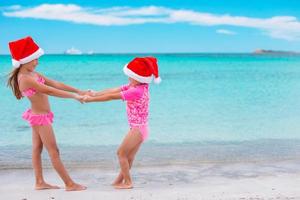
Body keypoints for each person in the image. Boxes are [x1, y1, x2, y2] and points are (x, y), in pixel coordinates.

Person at [7, 36, 87, 191]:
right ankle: (69, 184)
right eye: (34, 59)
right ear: (24, 60)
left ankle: (39, 182)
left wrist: (78, 90)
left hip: (38, 116)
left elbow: (55, 83)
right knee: (54, 151)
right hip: (41, 118)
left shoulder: (33, 74)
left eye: (37, 59)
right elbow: (49, 90)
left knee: (37, 149)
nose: (37, 62)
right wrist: (75, 97)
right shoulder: (24, 78)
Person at [83, 57, 161, 189]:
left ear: (139, 77)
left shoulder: (136, 91)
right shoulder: (138, 86)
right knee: (128, 157)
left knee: (121, 154)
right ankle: (119, 181)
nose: (128, 79)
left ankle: (128, 182)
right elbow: (114, 90)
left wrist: (90, 100)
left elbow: (111, 97)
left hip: (138, 129)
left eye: (131, 76)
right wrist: (95, 94)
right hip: (141, 129)